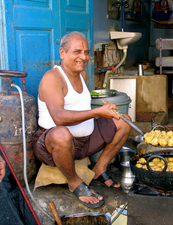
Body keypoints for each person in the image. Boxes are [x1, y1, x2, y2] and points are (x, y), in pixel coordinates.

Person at [32, 31, 131, 208]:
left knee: (123, 121)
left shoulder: (82, 75)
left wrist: (105, 110)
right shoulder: (52, 78)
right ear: (62, 53)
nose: (83, 57)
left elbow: (80, 107)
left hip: (84, 143)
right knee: (61, 134)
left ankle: (99, 169)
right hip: (53, 146)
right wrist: (97, 112)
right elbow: (59, 117)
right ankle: (74, 182)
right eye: (77, 52)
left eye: (86, 52)